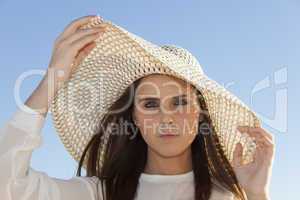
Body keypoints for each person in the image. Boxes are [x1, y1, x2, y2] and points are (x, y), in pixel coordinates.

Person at [0, 15, 275, 200]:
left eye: (180, 102)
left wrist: (256, 193)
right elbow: (8, 186)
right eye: (150, 104)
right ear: (134, 117)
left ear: (200, 113)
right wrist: (52, 79)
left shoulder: (224, 196)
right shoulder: (99, 193)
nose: (167, 117)